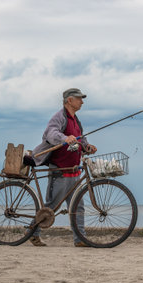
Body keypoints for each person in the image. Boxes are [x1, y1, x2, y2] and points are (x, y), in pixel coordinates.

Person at [30, 88, 97, 247]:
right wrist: (65, 138)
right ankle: (32, 233)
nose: (82, 101)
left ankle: (80, 239)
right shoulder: (59, 117)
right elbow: (50, 134)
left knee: (77, 206)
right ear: (69, 100)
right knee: (52, 206)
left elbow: (80, 138)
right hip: (59, 170)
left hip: (74, 171)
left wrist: (87, 147)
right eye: (79, 98)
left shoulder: (76, 120)